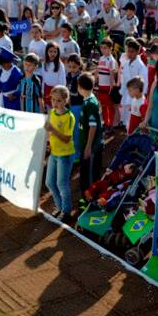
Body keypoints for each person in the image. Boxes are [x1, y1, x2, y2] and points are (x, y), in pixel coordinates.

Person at [45, 85, 76, 220]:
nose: (55, 103)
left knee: (61, 184)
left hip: (65, 155)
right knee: (49, 183)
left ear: (65, 101)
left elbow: (66, 138)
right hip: (54, 153)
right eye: (53, 100)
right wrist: (47, 142)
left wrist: (52, 130)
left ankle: (67, 211)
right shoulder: (51, 113)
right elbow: (49, 132)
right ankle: (60, 206)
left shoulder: (69, 117)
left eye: (58, 100)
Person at [76, 72, 104, 203]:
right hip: (87, 146)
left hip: (92, 148)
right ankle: (86, 199)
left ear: (80, 87)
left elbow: (93, 127)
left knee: (91, 176)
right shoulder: (88, 100)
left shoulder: (90, 104)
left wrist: (88, 147)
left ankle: (92, 201)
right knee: (85, 175)